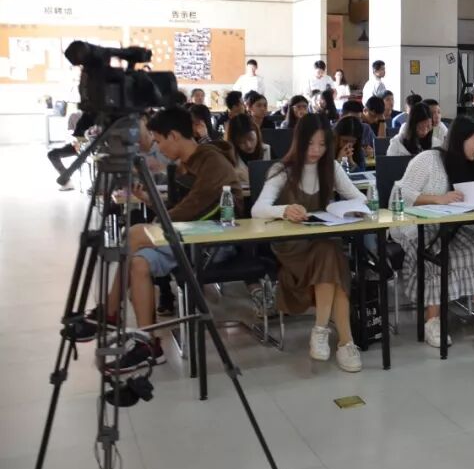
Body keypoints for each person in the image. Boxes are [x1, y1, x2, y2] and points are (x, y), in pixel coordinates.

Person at [78, 107, 243, 370]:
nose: (157, 146)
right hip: (187, 237)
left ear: (174, 135)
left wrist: (155, 226)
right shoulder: (182, 166)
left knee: (135, 233)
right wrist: (150, 201)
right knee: (139, 263)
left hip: (215, 241)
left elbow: (194, 207)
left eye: (158, 140)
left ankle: (110, 311)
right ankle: (149, 345)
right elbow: (180, 210)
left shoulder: (212, 161)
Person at [252, 114, 364, 372]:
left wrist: (344, 208)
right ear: (299, 142)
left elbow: (360, 198)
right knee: (333, 256)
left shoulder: (331, 167)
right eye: (311, 144)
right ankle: (342, 342)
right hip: (292, 249)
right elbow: (258, 209)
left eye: (322, 145)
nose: (316, 151)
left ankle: (331, 335)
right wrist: (284, 210)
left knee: (330, 253)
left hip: (321, 242)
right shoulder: (282, 170)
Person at [390, 117, 474, 351]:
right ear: (460, 140)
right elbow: (401, 193)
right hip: (417, 225)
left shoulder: (468, 165)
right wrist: (438, 199)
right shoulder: (429, 159)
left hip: (452, 226)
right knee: (437, 258)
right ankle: (432, 322)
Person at [225, 114, 270, 184]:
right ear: (234, 142)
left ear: (256, 132)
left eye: (251, 138)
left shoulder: (268, 150)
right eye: (241, 142)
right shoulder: (229, 157)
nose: (248, 145)